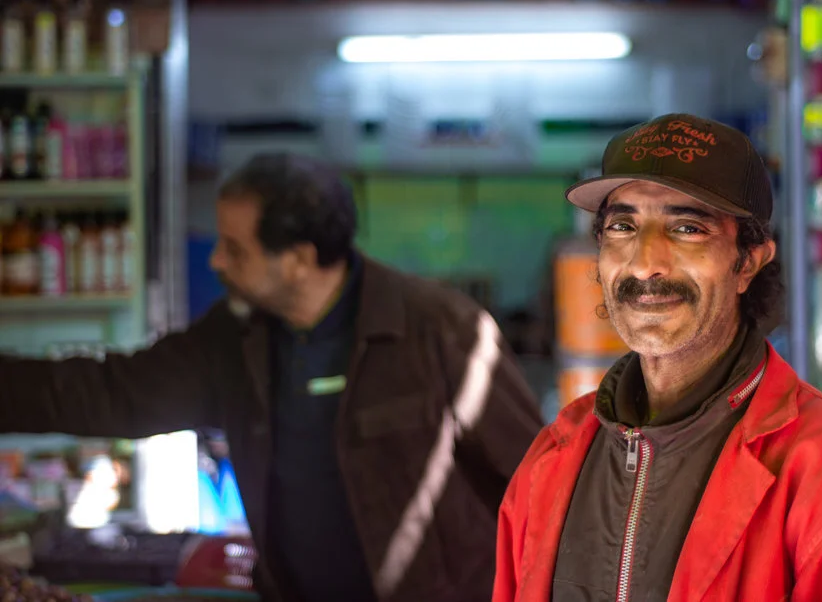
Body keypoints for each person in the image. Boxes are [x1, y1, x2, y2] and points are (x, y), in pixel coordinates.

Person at [0, 153, 543, 602]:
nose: (216, 261)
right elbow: (113, 392)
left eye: (235, 249)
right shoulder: (235, 339)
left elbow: (537, 488)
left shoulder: (439, 331)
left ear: (299, 260)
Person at [493, 114, 822, 601]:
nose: (644, 263)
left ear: (747, 262)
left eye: (687, 228)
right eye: (622, 226)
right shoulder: (551, 461)